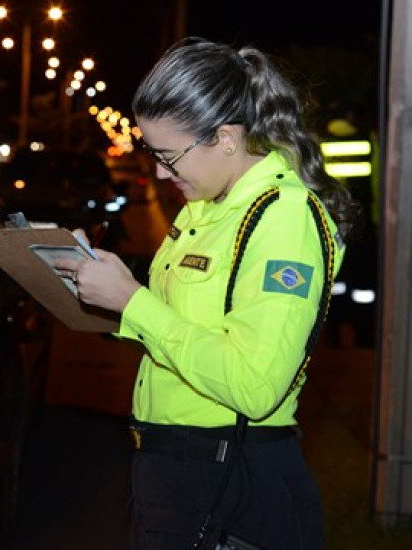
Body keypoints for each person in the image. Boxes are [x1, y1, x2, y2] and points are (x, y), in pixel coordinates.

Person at [54, 37, 361, 549]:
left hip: (231, 478)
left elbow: (254, 386)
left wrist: (133, 301)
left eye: (169, 155)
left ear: (225, 138)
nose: (158, 171)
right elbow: (181, 330)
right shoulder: (204, 207)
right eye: (152, 153)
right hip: (175, 472)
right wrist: (101, 287)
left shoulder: (282, 217)